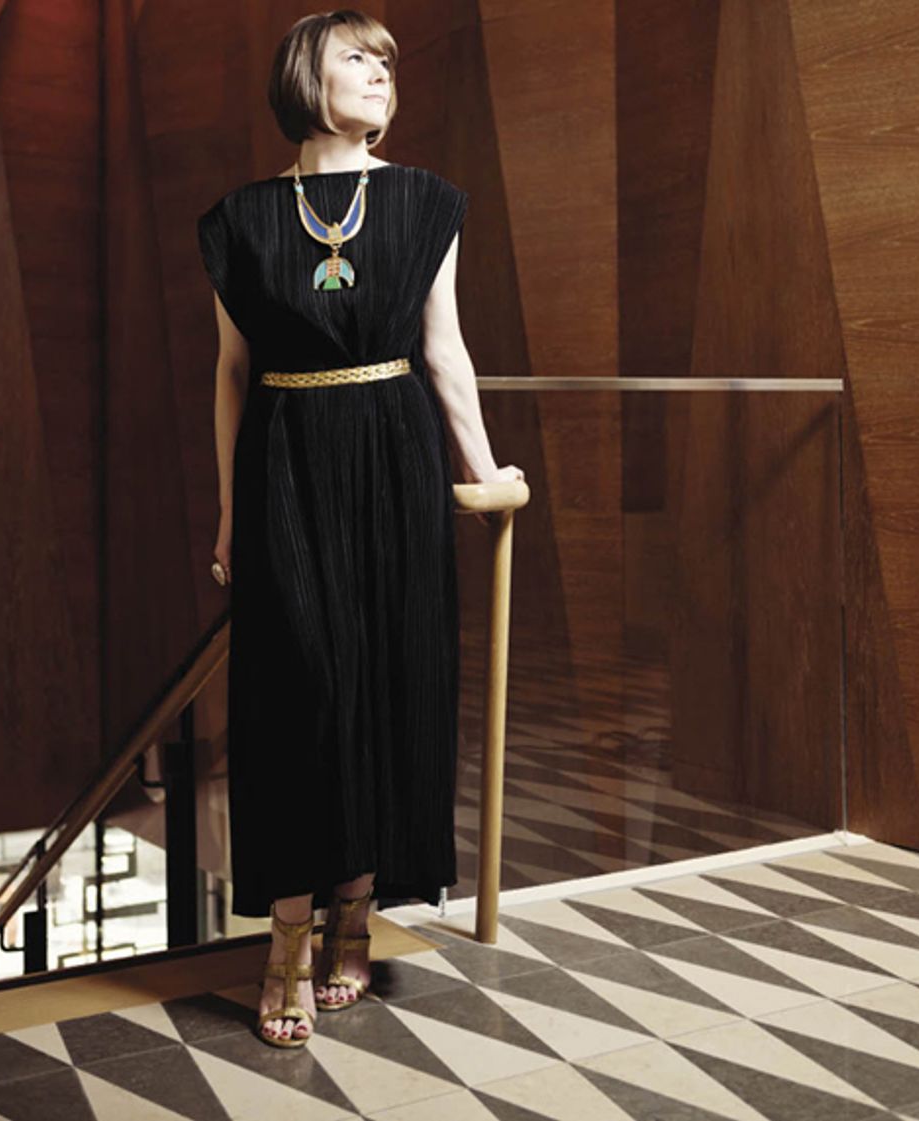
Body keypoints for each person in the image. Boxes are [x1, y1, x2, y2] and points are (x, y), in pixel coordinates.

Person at [196, 9, 524, 1048]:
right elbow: (232, 372)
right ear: (306, 77)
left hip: (393, 458)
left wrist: (484, 472)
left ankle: (355, 916)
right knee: (297, 692)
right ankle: (286, 937)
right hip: (285, 462)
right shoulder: (241, 220)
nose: (382, 74)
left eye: (387, 61)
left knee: (385, 681)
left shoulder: (425, 201)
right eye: (357, 58)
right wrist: (230, 510)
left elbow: (444, 350)